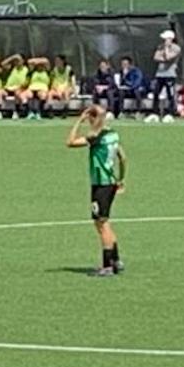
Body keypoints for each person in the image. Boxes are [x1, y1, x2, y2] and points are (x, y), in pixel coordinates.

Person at [65, 106, 126, 277]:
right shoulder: (113, 134)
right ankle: (116, 260)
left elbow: (70, 142)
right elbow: (122, 157)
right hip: (111, 182)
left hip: (101, 184)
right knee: (105, 222)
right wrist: (121, 179)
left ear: (91, 118)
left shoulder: (95, 137)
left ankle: (107, 266)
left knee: (101, 224)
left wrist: (78, 121)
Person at [149, 29, 181, 124]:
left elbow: (168, 58)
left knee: (170, 95)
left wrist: (166, 49)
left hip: (170, 74)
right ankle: (155, 114)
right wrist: (163, 57)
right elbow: (156, 57)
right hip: (160, 74)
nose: (164, 41)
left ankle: (170, 114)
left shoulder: (176, 48)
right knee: (156, 94)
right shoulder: (160, 47)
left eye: (166, 39)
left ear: (170, 39)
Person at [2, 54, 30, 118]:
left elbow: (26, 82)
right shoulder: (12, 68)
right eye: (16, 61)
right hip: (8, 89)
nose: (17, 62)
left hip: (19, 89)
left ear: (23, 61)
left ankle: (17, 112)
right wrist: (13, 57)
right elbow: (3, 64)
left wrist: (20, 87)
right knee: (0, 92)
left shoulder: (26, 69)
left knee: (17, 92)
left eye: (18, 60)